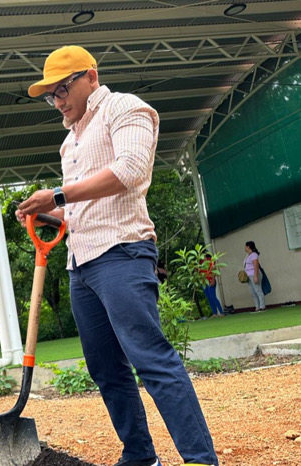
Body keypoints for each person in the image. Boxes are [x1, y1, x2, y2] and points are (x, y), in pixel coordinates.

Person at [15, 46, 218, 466]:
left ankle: (200, 459)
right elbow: (76, 210)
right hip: (81, 265)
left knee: (150, 357)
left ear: (91, 75)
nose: (57, 101)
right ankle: (141, 456)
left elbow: (131, 170)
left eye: (62, 89)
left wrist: (55, 193)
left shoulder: (125, 108)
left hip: (122, 253)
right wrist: (48, 213)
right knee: (106, 369)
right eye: (50, 95)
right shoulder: (69, 141)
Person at [244, 241, 265, 312]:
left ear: (248, 247)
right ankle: (257, 306)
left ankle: (262, 306)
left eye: (245, 246)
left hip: (254, 274)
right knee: (253, 292)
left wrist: (255, 276)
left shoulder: (254, 255)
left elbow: (256, 265)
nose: (245, 248)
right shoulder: (248, 255)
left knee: (258, 290)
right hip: (249, 276)